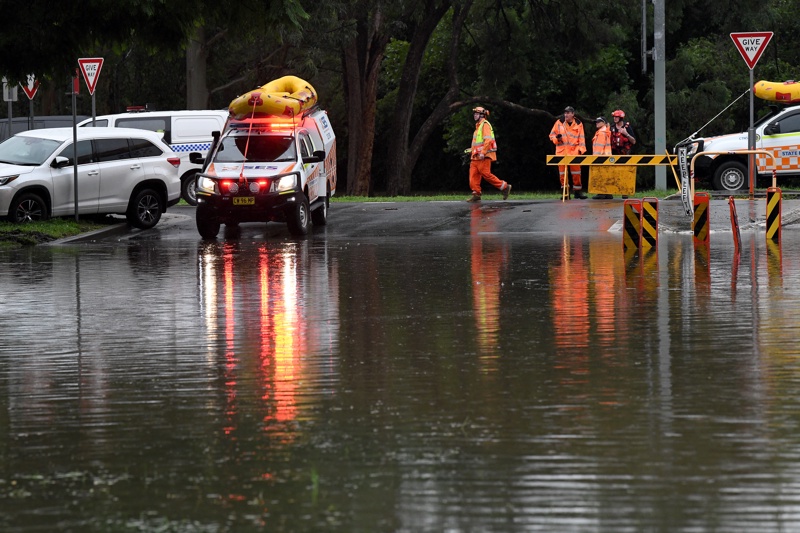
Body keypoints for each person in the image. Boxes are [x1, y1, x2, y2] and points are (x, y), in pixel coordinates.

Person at [467, 106, 511, 202]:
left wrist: (483, 152)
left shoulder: (485, 125)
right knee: (473, 176)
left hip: (484, 156)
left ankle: (504, 187)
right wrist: (472, 150)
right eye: (474, 113)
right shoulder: (478, 126)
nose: (475, 115)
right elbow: (478, 142)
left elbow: (488, 140)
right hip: (475, 157)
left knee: (486, 174)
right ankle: (476, 194)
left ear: (482, 115)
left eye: (477, 113)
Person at [549, 106, 587, 199]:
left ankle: (577, 192)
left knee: (577, 173)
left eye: (568, 113)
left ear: (572, 114)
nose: (566, 114)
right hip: (562, 152)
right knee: (562, 174)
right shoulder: (559, 122)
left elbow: (581, 138)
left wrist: (581, 150)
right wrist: (557, 139)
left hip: (574, 152)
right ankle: (565, 193)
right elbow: (551, 135)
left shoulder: (579, 123)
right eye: (565, 113)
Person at [591, 116, 614, 199]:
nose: (597, 123)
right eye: (596, 121)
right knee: (606, 176)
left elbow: (599, 148)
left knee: (600, 175)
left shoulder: (601, 132)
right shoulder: (606, 131)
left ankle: (601, 193)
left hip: (600, 157)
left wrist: (595, 159)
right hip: (606, 157)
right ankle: (608, 193)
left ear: (604, 123)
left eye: (599, 121)